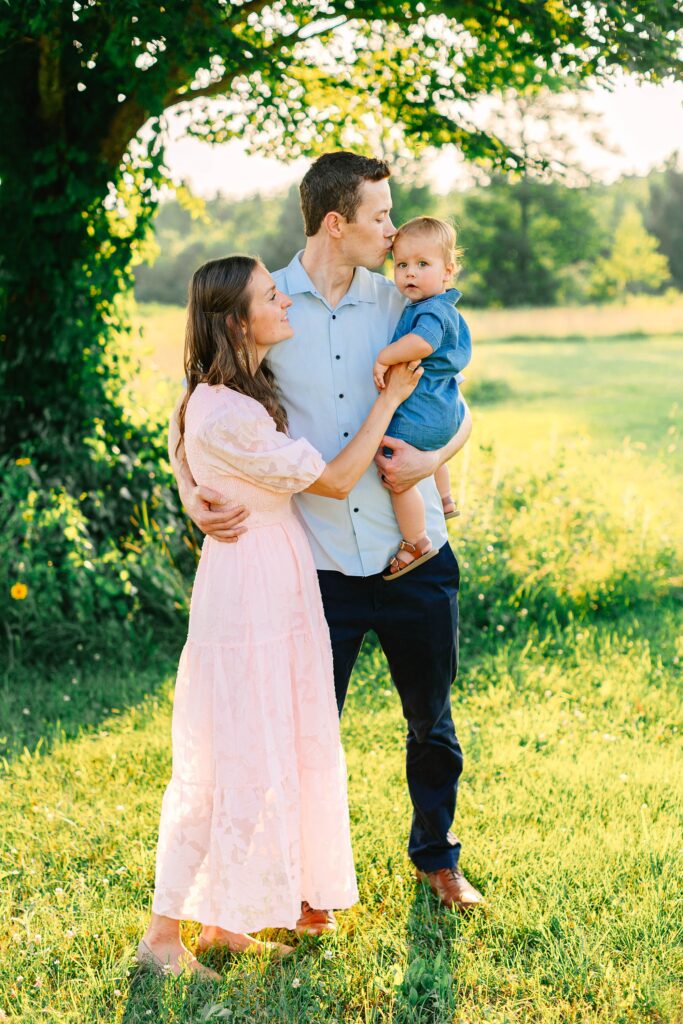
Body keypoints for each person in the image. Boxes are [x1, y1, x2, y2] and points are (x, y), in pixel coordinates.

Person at [175, 151, 485, 917]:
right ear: (336, 222)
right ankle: (307, 892)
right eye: (380, 216)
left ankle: (436, 860)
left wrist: (434, 459)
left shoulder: (407, 298)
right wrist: (189, 495)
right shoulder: (264, 303)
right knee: (303, 736)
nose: (392, 230)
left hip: (412, 551)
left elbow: (458, 407)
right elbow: (191, 412)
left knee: (431, 723)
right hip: (310, 566)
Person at [138, 254, 422, 977]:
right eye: (272, 297)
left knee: (266, 743)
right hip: (248, 590)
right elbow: (328, 481)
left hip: (277, 577)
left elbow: (182, 437)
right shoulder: (225, 409)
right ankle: (163, 939)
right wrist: (387, 403)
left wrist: (190, 485)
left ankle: (228, 925)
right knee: (229, 749)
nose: (286, 303)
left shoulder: (237, 392)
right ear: (237, 321)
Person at [372, 216, 471, 580]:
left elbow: (423, 343)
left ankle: (415, 541)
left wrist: (386, 356)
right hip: (445, 411)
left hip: (423, 411)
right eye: (401, 265)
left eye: (422, 265)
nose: (409, 273)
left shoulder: (431, 310)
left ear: (447, 271)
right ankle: (445, 499)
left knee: (397, 473)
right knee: (428, 445)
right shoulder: (444, 307)